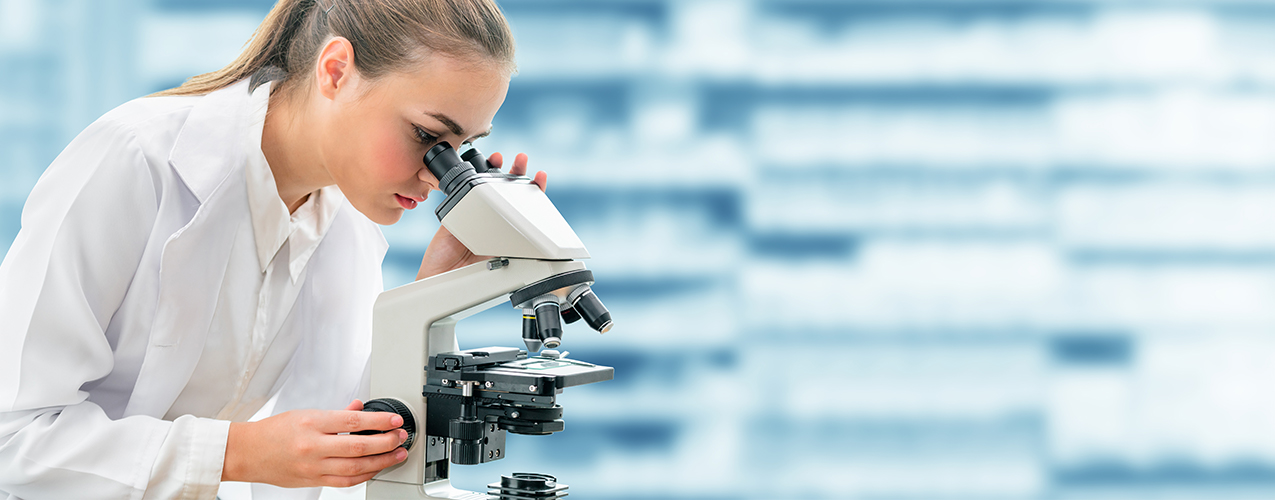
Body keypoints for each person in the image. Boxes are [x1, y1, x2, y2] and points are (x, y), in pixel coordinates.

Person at [0, 0, 543, 498]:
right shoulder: (135, 159)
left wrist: (436, 292)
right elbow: (12, 440)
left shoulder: (343, 223)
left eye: (461, 149)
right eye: (428, 138)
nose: (437, 175)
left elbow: (344, 441)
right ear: (336, 71)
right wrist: (238, 452)